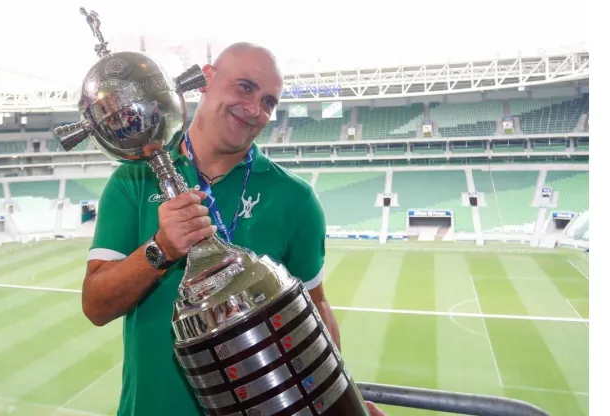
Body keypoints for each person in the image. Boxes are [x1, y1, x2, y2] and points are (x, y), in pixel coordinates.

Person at [82, 42, 386, 416]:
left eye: (269, 102)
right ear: (206, 79)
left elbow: (316, 306)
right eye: (244, 87)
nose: (255, 109)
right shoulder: (134, 179)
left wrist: (343, 402)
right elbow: (96, 305)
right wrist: (159, 249)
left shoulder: (295, 199)